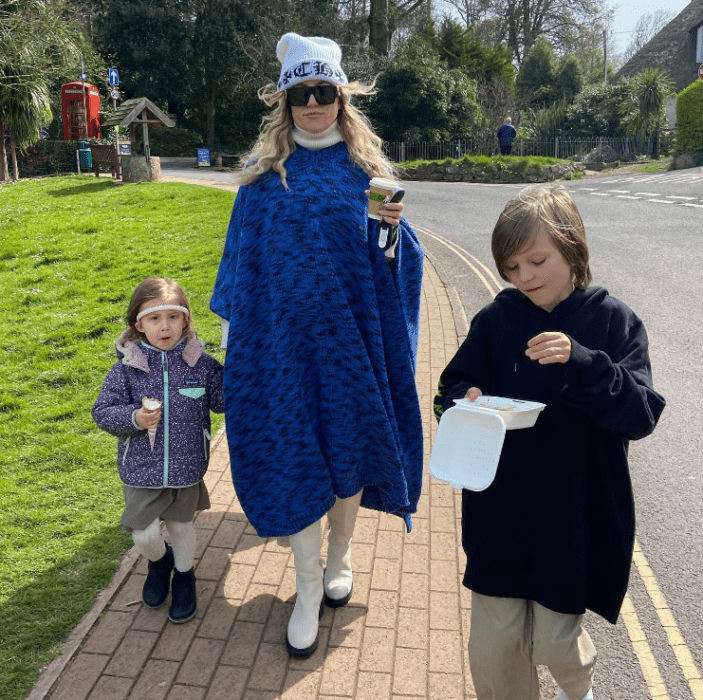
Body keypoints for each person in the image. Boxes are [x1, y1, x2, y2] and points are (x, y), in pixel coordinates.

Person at [210, 32, 424, 658]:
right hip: (281, 353)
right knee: (297, 458)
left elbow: (391, 272)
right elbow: (239, 269)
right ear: (285, 101)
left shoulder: (371, 177)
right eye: (300, 93)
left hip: (350, 349)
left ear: (340, 96)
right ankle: (306, 591)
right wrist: (236, 346)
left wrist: (391, 234)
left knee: (348, 453)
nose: (312, 103)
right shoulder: (259, 180)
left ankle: (343, 554)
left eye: (323, 91)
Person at [433, 185, 665, 700]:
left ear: (572, 246)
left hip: (573, 516)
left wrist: (582, 362)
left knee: (558, 645)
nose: (525, 277)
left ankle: (577, 689)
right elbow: (450, 387)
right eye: (512, 268)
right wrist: (461, 399)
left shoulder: (612, 321)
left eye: (537, 260)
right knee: (493, 652)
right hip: (500, 511)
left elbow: (641, 414)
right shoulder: (498, 320)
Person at [93, 277, 224, 624]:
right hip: (141, 470)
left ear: (186, 320)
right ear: (139, 324)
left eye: (173, 317)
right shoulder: (126, 370)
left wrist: (243, 368)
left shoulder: (202, 364)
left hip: (187, 467)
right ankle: (159, 561)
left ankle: (185, 576)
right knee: (144, 533)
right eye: (154, 319)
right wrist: (134, 417)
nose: (165, 326)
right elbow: (103, 412)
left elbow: (224, 401)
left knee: (181, 527)